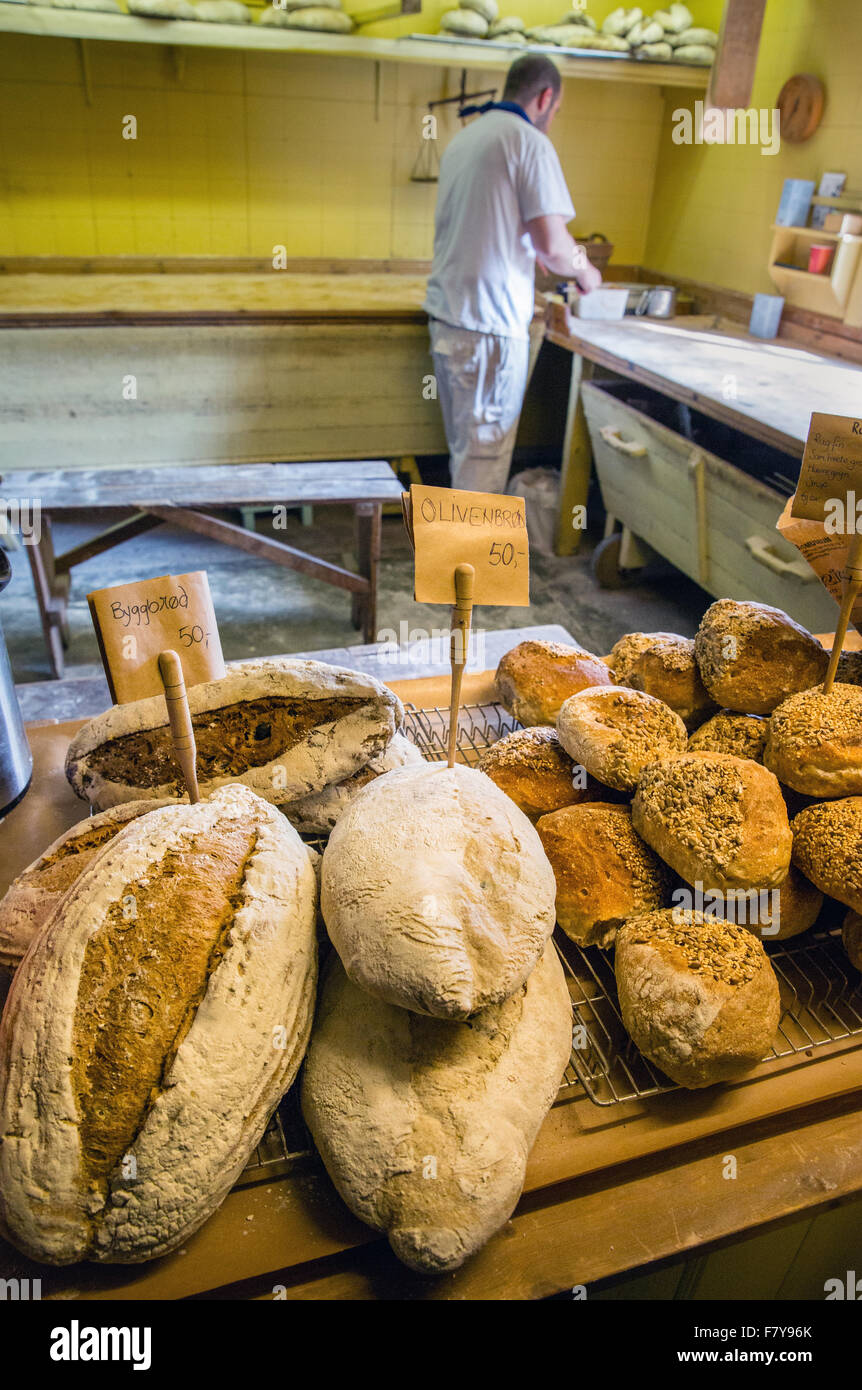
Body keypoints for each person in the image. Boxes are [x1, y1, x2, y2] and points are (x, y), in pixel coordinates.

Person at [424, 54, 601, 494]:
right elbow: (556, 247)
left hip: (451, 320)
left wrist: (523, 244)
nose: (553, 120)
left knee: (468, 461)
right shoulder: (528, 142)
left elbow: (493, 224)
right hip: (490, 332)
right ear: (545, 98)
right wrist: (586, 271)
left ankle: (453, 562)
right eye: (556, 111)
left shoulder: (466, 140)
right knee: (481, 474)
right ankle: (461, 565)